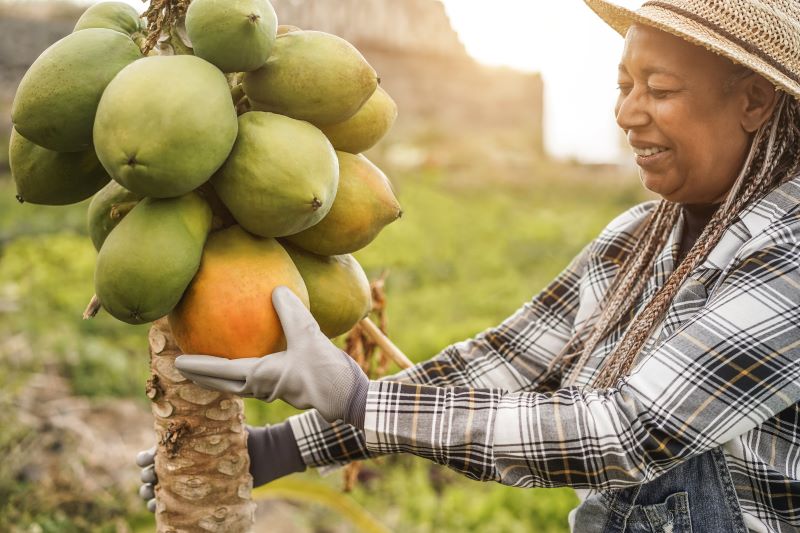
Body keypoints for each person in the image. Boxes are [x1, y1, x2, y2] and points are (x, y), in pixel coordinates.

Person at [137, 1, 800, 531]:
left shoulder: (789, 256)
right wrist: (284, 444)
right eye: (624, 86)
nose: (627, 114)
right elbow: (504, 362)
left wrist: (362, 400)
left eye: (659, 89)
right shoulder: (639, 238)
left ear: (754, 101)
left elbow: (628, 431)